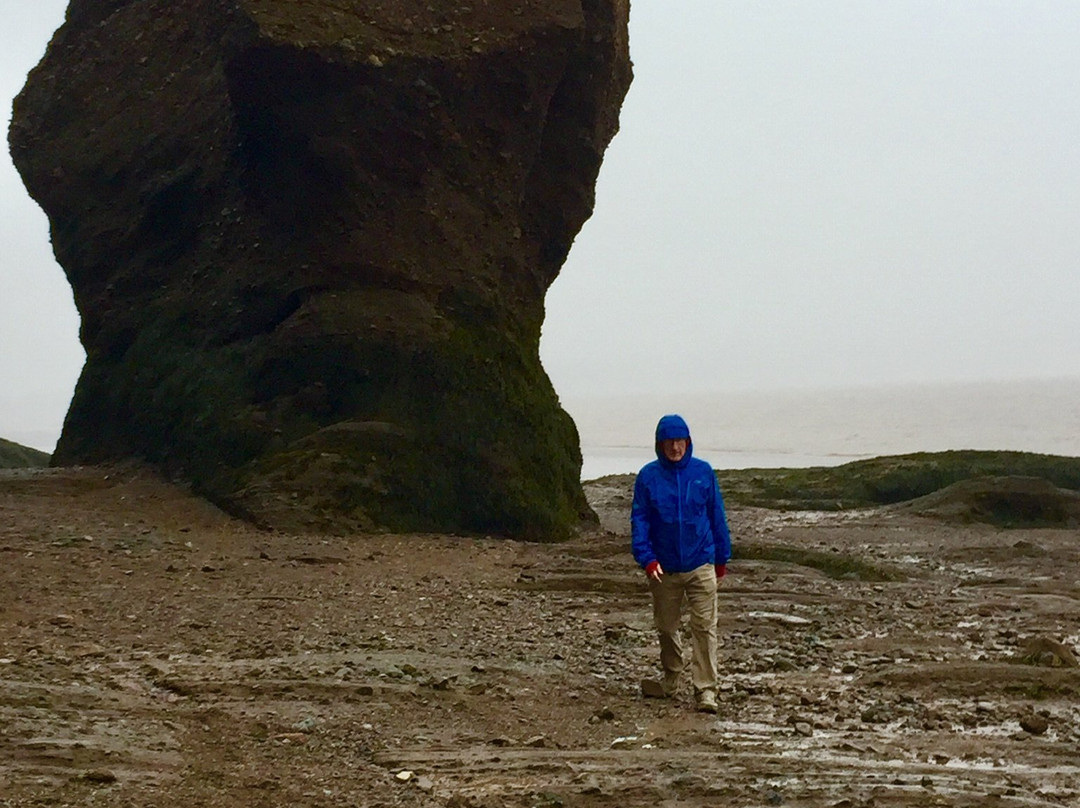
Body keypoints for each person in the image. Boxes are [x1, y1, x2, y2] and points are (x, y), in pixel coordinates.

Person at [631, 414, 732, 714]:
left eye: (680, 441)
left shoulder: (703, 473)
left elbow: (717, 516)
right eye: (669, 442)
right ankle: (671, 677)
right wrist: (646, 558)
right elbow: (640, 521)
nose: (675, 447)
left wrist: (721, 559)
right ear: (660, 444)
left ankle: (706, 691)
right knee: (666, 626)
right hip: (664, 568)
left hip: (701, 561)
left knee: (704, 628)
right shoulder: (648, 477)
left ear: (688, 442)